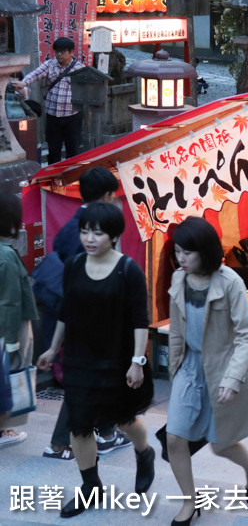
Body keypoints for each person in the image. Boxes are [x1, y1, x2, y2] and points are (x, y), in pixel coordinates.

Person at [36, 203, 155, 518]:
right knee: (80, 427)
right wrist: (52, 348)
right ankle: (91, 486)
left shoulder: (128, 270)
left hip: (116, 359)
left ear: (114, 235)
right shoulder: (75, 265)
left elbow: (140, 320)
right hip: (79, 359)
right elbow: (66, 312)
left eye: (97, 233)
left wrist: (136, 361)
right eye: (85, 231)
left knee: (124, 420)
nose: (89, 238)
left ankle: (145, 453)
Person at [164, 216, 248, 526]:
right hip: (190, 367)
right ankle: (189, 503)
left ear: (205, 251)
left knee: (220, 444)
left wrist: (233, 378)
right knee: (174, 439)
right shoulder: (179, 280)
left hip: (222, 367)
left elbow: (247, 334)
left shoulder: (229, 281)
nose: (181, 259)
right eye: (178, 252)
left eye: (188, 253)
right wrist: (174, 370)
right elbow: (176, 330)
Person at [41, 167, 128, 461]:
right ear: (106, 195)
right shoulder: (94, 230)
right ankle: (58, 443)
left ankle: (106, 433)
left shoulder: (73, 226)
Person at [0, 193, 38, 449]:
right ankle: (3, 429)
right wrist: (12, 341)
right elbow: (10, 302)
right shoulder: (6, 256)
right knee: (9, 375)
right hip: (8, 328)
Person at [12, 36, 85, 164]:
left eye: (63, 51)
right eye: (56, 51)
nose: (59, 54)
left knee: (73, 151)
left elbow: (89, 87)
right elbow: (35, 74)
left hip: (73, 115)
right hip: (52, 116)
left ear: (71, 52)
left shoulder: (79, 68)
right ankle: (54, 180)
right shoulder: (50, 65)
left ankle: (72, 178)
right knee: (53, 150)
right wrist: (24, 83)